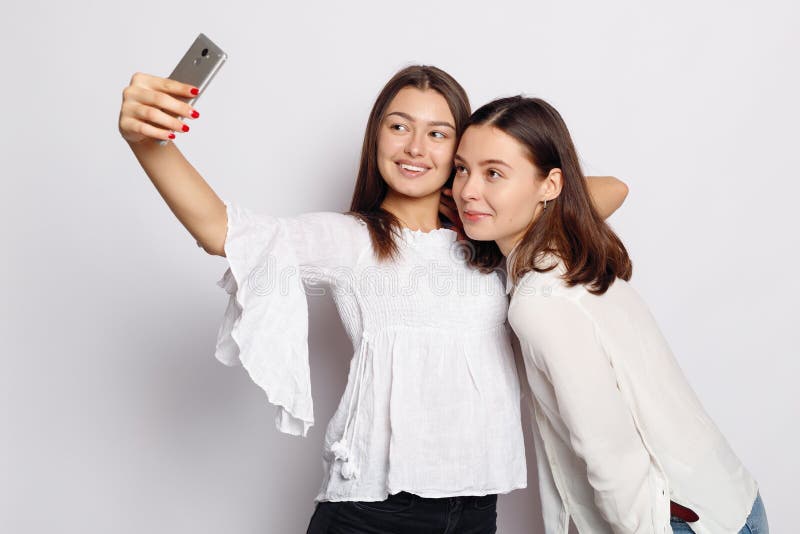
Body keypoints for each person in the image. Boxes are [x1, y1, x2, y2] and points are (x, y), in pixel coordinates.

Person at [118, 66, 628, 533]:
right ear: (376, 137)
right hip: (374, 511)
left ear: (460, 151)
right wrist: (147, 144)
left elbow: (608, 191)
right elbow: (219, 230)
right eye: (398, 126)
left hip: (476, 509)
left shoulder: (489, 242)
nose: (415, 148)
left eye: (438, 134)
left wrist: (479, 195)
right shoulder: (351, 241)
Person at [451, 95, 767, 534]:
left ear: (550, 185)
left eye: (493, 173)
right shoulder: (568, 253)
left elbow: (611, 454)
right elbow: (599, 191)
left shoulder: (540, 303)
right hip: (725, 501)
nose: (467, 189)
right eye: (461, 168)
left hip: (675, 521)